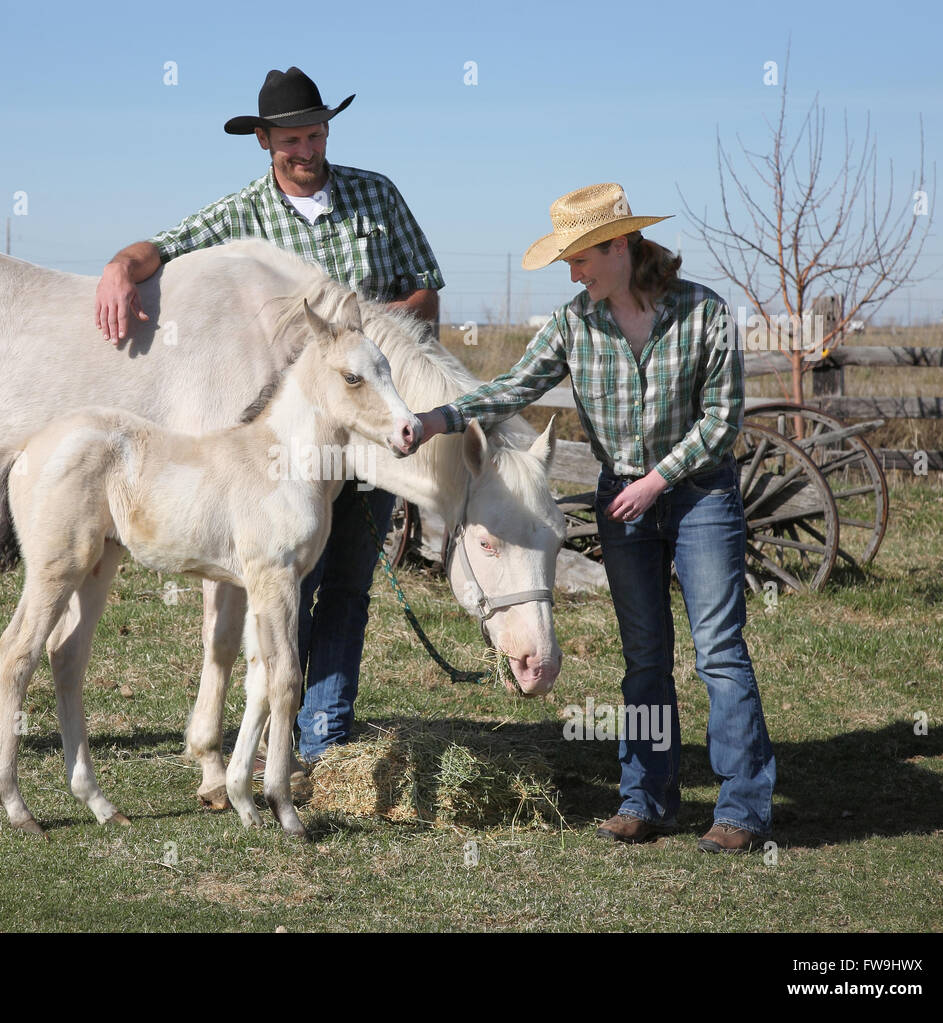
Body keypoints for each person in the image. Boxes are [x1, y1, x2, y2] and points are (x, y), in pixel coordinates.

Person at [94, 67, 444, 763]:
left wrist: (374, 333)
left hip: (369, 434)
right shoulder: (240, 217)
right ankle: (270, 733)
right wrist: (117, 267)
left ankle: (323, 735)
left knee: (348, 583)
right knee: (287, 581)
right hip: (287, 450)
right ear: (263, 141)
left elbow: (426, 294)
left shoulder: (379, 198)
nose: (307, 151)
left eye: (316, 135)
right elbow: (163, 246)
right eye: (291, 140)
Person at [415, 183, 775, 853]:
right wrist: (438, 418)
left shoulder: (705, 313)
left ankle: (743, 809)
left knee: (719, 651)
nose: (573, 273)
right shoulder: (574, 323)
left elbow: (723, 421)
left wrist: (657, 479)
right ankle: (646, 799)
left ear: (619, 246)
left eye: (580, 259)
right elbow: (513, 387)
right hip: (624, 505)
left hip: (701, 496)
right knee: (643, 657)